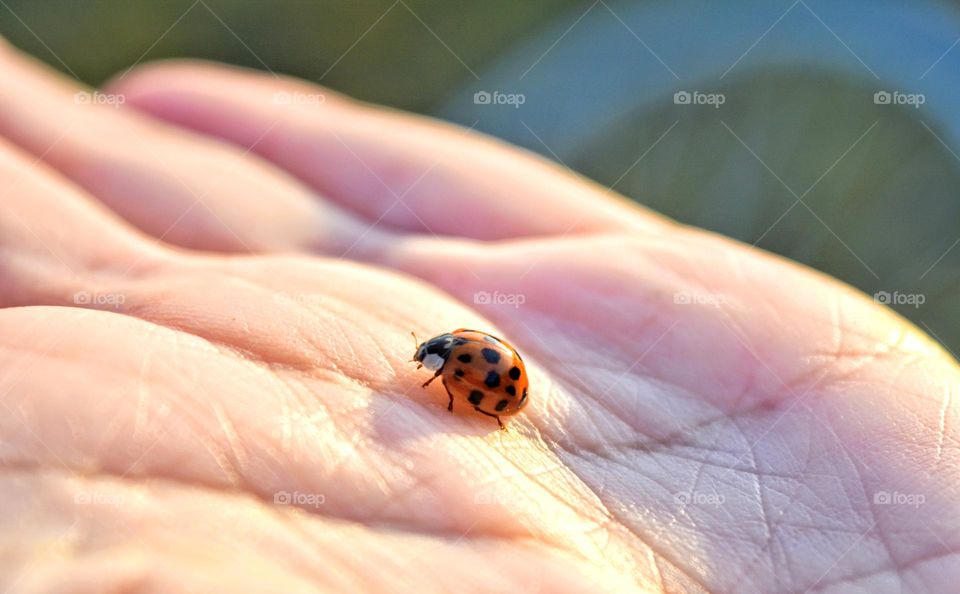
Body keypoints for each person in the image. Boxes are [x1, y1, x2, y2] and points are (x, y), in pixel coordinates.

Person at [0, 39, 956, 593]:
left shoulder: (463, 364)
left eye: (444, 369)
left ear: (446, 364)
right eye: (448, 370)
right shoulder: (467, 361)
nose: (441, 373)